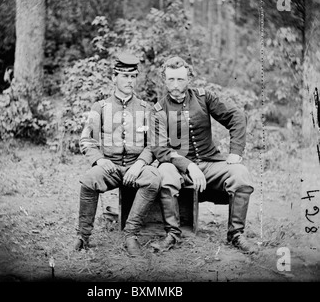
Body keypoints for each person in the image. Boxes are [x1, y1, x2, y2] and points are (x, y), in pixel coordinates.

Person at [150, 56, 256, 253]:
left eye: (180, 79)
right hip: (179, 168)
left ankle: (236, 234)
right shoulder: (158, 110)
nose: (175, 84)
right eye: (171, 79)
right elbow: (161, 150)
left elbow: (237, 116)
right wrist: (189, 166)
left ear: (189, 78)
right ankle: (172, 234)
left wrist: (235, 152)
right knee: (165, 171)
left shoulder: (204, 97)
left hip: (210, 164)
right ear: (164, 79)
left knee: (240, 173)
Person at [73, 52, 161, 257]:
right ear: (114, 78)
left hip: (135, 167)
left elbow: (154, 145)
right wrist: (100, 159)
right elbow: (87, 139)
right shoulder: (101, 107)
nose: (129, 81)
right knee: (88, 180)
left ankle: (131, 235)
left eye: (132, 77)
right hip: (109, 167)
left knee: (154, 178)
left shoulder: (145, 108)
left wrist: (140, 163)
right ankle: (83, 236)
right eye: (124, 76)